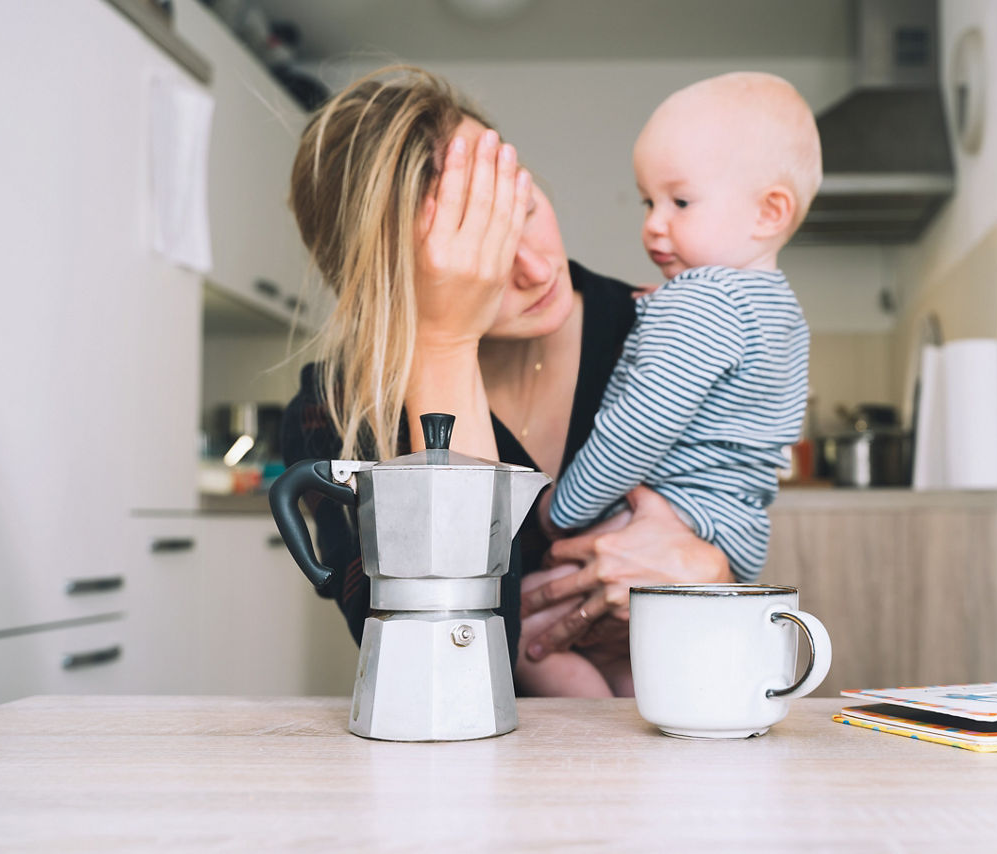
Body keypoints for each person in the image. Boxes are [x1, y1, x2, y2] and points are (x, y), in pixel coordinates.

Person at [278, 66, 731, 694]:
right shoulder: (335, 413)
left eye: (523, 208)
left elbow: (742, 587)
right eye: (476, 257)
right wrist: (442, 345)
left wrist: (715, 580)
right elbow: (447, 675)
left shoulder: (669, 337)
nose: (536, 269)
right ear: (386, 291)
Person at [518, 72, 821, 698]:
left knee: (520, 628)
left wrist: (562, 509)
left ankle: (590, 741)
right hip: (729, 533)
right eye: (647, 202)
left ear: (769, 212)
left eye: (680, 203)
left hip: (666, 513)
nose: (654, 225)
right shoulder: (781, 310)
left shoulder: (702, 303)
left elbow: (638, 429)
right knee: (643, 662)